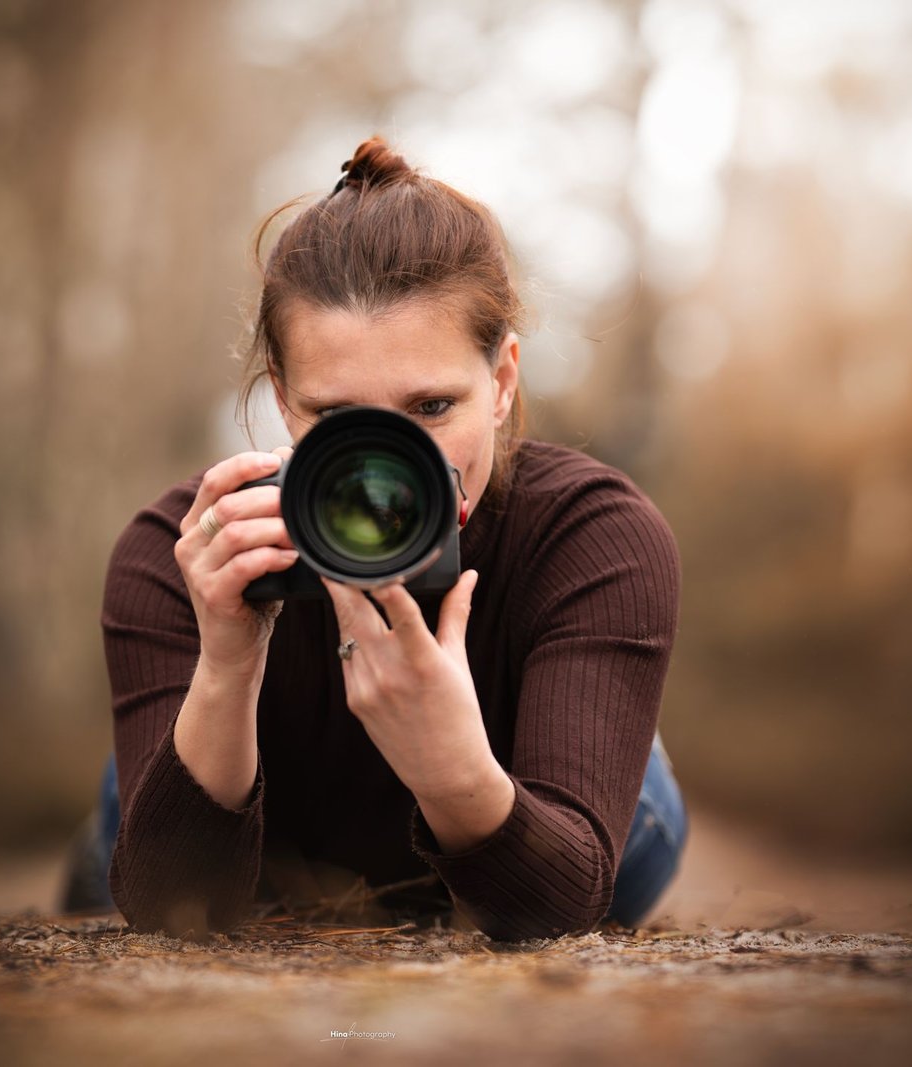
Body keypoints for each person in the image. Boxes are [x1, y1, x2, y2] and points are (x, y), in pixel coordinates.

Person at [61, 137, 685, 941]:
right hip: (260, 836)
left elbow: (552, 905)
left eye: (430, 409)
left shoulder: (594, 535)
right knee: (136, 804)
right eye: (342, 418)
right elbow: (176, 907)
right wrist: (226, 662)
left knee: (603, 816)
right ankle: (101, 840)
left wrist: (452, 766)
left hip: (560, 813)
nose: (390, 466)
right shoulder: (182, 549)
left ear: (501, 383)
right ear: (284, 400)